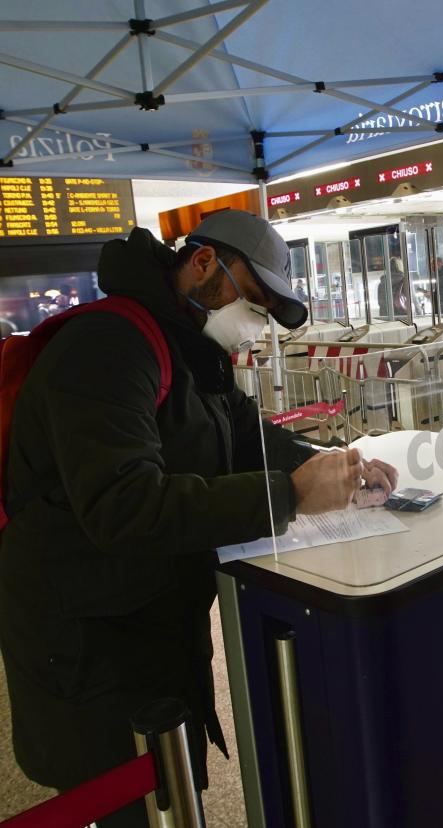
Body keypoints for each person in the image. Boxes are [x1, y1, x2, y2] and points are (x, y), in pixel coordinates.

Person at [0, 210, 397, 827]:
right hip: (84, 647)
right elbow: (122, 504)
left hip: (147, 623)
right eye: (254, 300)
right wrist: (287, 496)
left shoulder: (187, 345)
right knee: (124, 803)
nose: (254, 321)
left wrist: (332, 467)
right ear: (205, 263)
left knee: (170, 789)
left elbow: (243, 433)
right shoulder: (108, 347)